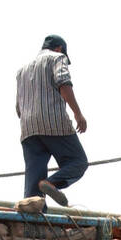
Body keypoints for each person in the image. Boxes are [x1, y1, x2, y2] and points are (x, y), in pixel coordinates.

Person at [16, 35, 88, 206]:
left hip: (28, 129)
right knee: (78, 162)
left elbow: (18, 107)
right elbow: (63, 83)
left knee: (33, 191)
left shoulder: (22, 70)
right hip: (53, 122)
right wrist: (78, 114)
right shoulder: (57, 58)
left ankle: (32, 221)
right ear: (59, 48)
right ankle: (51, 183)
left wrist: (32, 123)